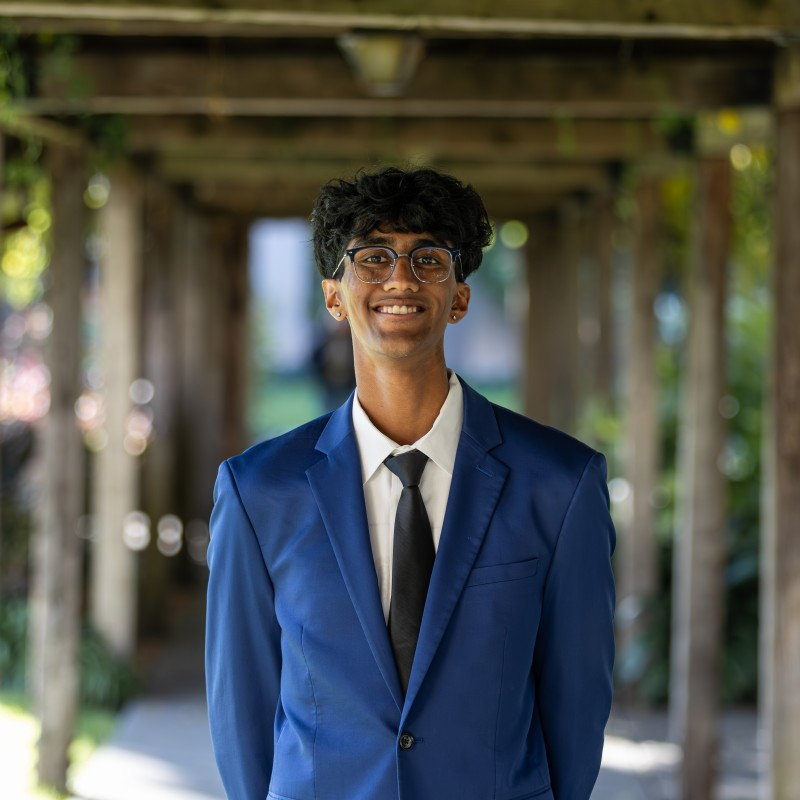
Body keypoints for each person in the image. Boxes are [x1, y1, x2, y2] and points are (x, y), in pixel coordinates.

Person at [205, 166, 616, 800]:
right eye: (372, 258)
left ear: (459, 296)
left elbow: (576, 704)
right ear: (334, 296)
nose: (401, 277)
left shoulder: (561, 484)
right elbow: (243, 713)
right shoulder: (257, 492)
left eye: (428, 258)